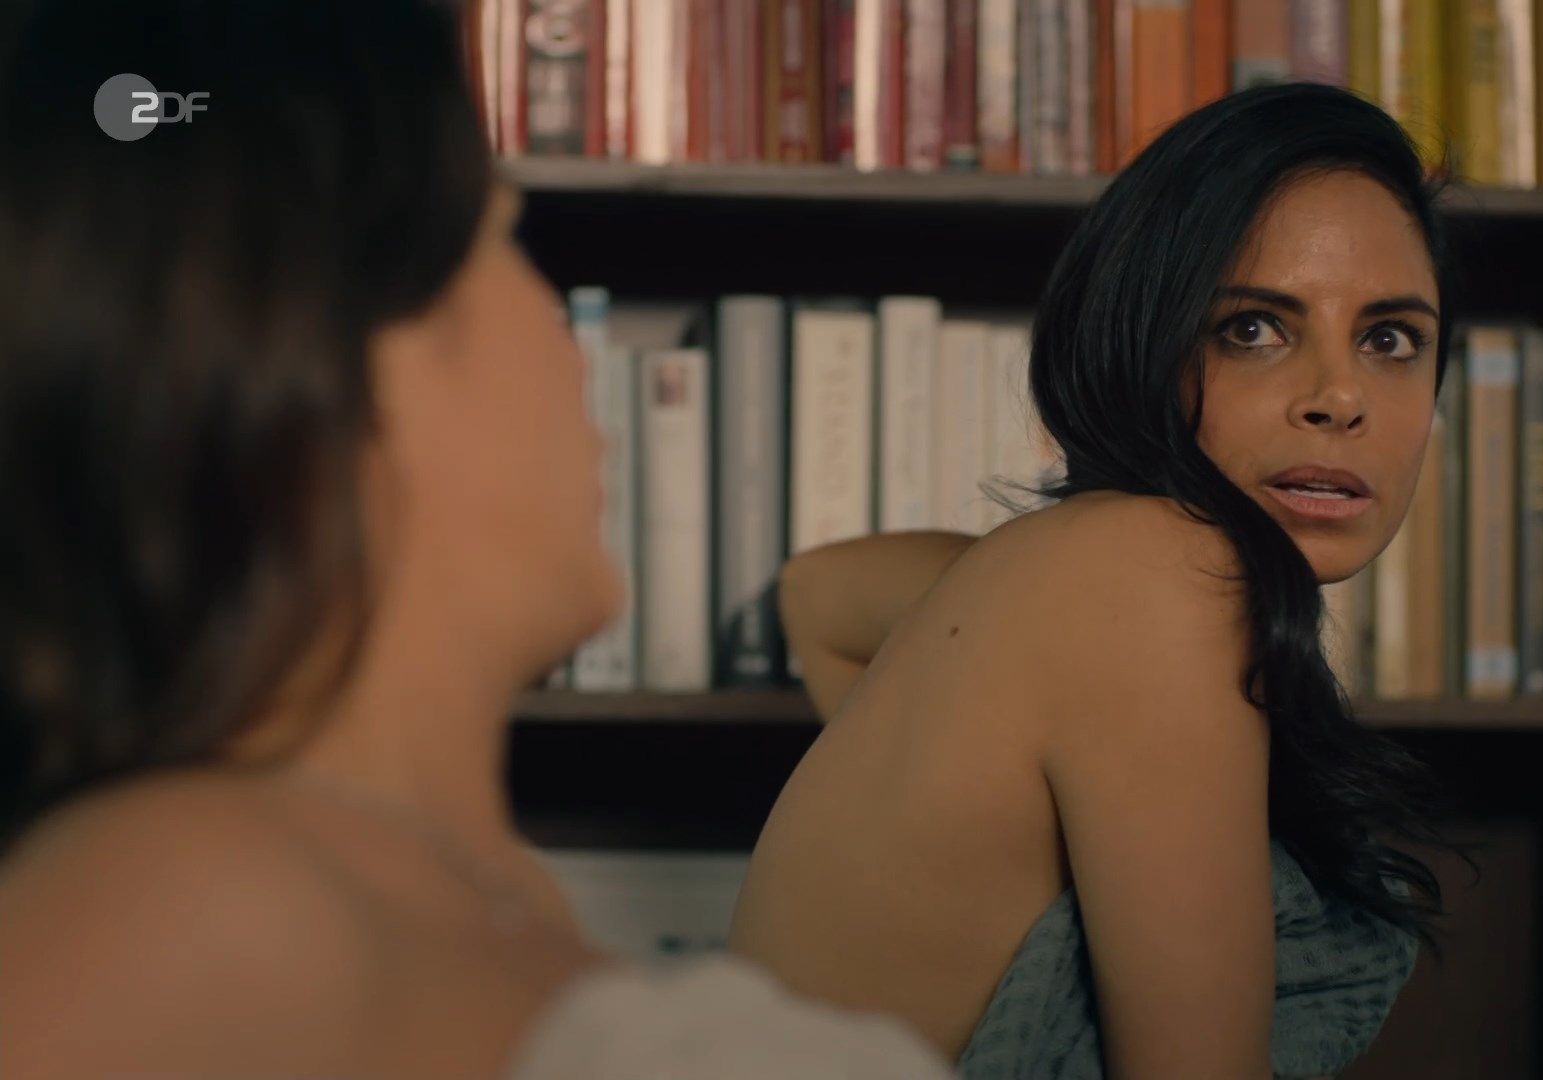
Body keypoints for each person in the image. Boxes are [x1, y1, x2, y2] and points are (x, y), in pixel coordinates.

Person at [0, 3, 952, 1077]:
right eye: (502, 240)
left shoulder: (441, 896)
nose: (566, 342)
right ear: (343, 350)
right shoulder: (199, 901)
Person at [728, 82, 1459, 1079]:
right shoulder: (1157, 574)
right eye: (1253, 328)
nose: (1340, 397)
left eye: (1389, 338)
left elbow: (817, 594)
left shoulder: (1081, 574)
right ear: (1142, 347)